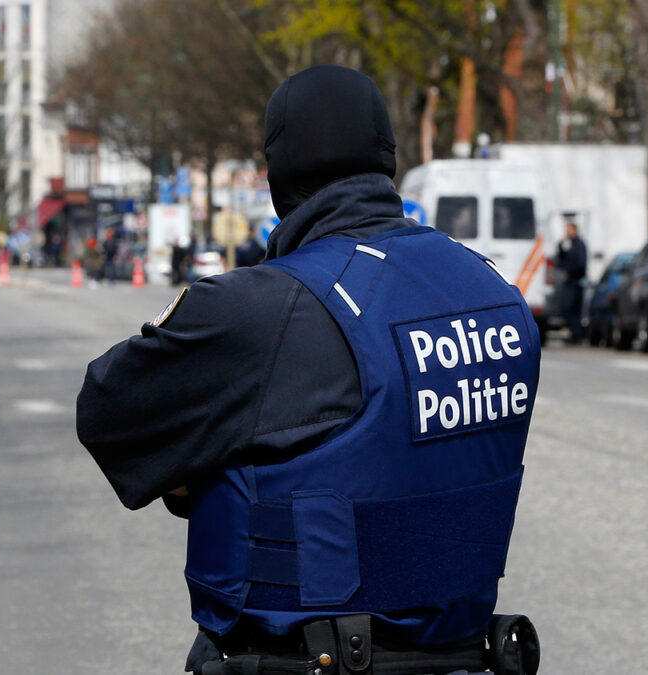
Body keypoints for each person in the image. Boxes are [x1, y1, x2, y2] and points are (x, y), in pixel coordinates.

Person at [77, 66, 541, 675]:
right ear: (386, 158)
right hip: (469, 657)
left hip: (307, 660)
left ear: (276, 174)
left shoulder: (259, 308)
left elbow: (110, 413)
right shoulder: (498, 295)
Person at [556, 221, 588, 343]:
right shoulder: (572, 245)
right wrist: (560, 246)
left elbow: (579, 264)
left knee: (571, 308)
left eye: (569, 229)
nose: (567, 232)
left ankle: (577, 335)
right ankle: (574, 334)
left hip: (575, 282)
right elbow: (563, 258)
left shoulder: (579, 245)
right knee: (568, 309)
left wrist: (570, 273)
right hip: (571, 282)